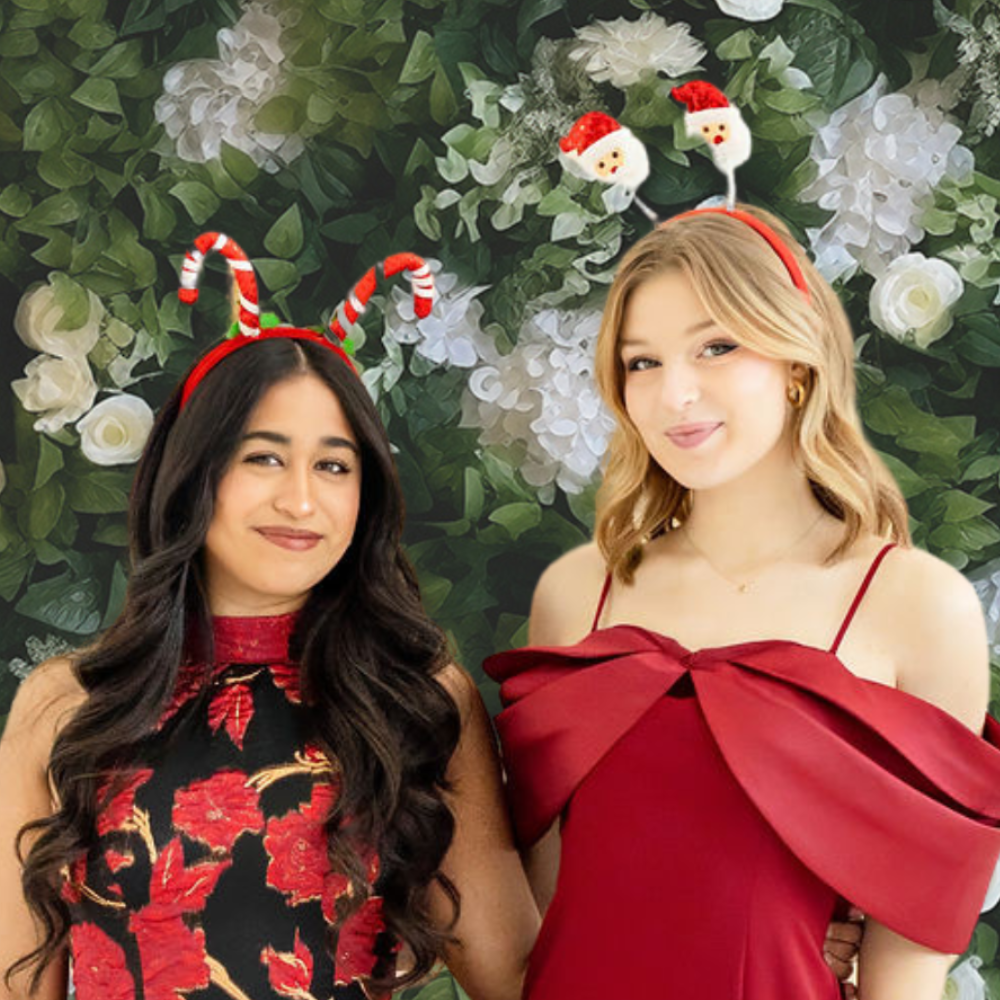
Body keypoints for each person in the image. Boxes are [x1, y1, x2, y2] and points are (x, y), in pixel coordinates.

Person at [0, 237, 539, 1000]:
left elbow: (512, 970)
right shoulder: (67, 703)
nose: (301, 501)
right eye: (263, 457)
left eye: (333, 465)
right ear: (193, 473)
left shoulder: (418, 697)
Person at [485, 205, 1000, 999]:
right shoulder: (577, 592)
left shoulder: (917, 605)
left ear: (798, 364)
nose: (674, 393)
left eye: (717, 347)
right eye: (642, 362)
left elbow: (909, 961)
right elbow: (551, 903)